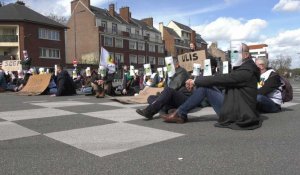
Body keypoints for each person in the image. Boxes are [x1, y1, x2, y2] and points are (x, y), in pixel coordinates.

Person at [162, 43, 262, 130]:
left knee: (205, 88)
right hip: (235, 105)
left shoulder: (246, 71)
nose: (232, 56)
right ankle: (180, 113)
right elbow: (223, 82)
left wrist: (196, 81)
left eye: (235, 53)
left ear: (245, 55)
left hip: (238, 112)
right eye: (232, 53)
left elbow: (223, 79)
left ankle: (180, 113)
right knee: (206, 87)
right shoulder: (244, 68)